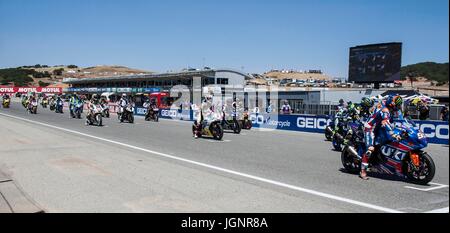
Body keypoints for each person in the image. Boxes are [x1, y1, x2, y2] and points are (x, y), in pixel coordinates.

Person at [360, 95, 404, 180]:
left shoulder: (392, 109)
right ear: (392, 104)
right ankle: (363, 171)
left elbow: (401, 120)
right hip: (370, 128)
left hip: (379, 128)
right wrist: (393, 134)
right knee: (370, 149)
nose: (398, 107)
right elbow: (385, 122)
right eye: (397, 105)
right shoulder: (385, 110)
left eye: (399, 105)